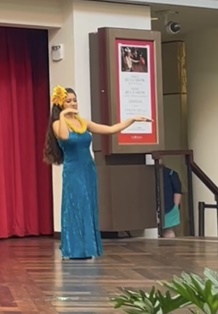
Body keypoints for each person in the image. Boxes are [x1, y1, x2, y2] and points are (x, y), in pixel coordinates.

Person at [42, 86, 148, 260]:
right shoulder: (57, 124)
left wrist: (132, 120)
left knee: (89, 204)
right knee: (77, 205)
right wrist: (62, 115)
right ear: (60, 104)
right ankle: (74, 249)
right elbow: (65, 137)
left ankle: (87, 248)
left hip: (88, 169)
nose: (73, 103)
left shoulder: (83, 123)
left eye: (75, 100)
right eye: (68, 101)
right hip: (73, 170)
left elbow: (110, 129)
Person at [161, 165, 183, 238]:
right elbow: (178, 191)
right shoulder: (171, 173)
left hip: (166, 207)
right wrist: (175, 207)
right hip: (170, 207)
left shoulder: (171, 173)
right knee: (169, 231)